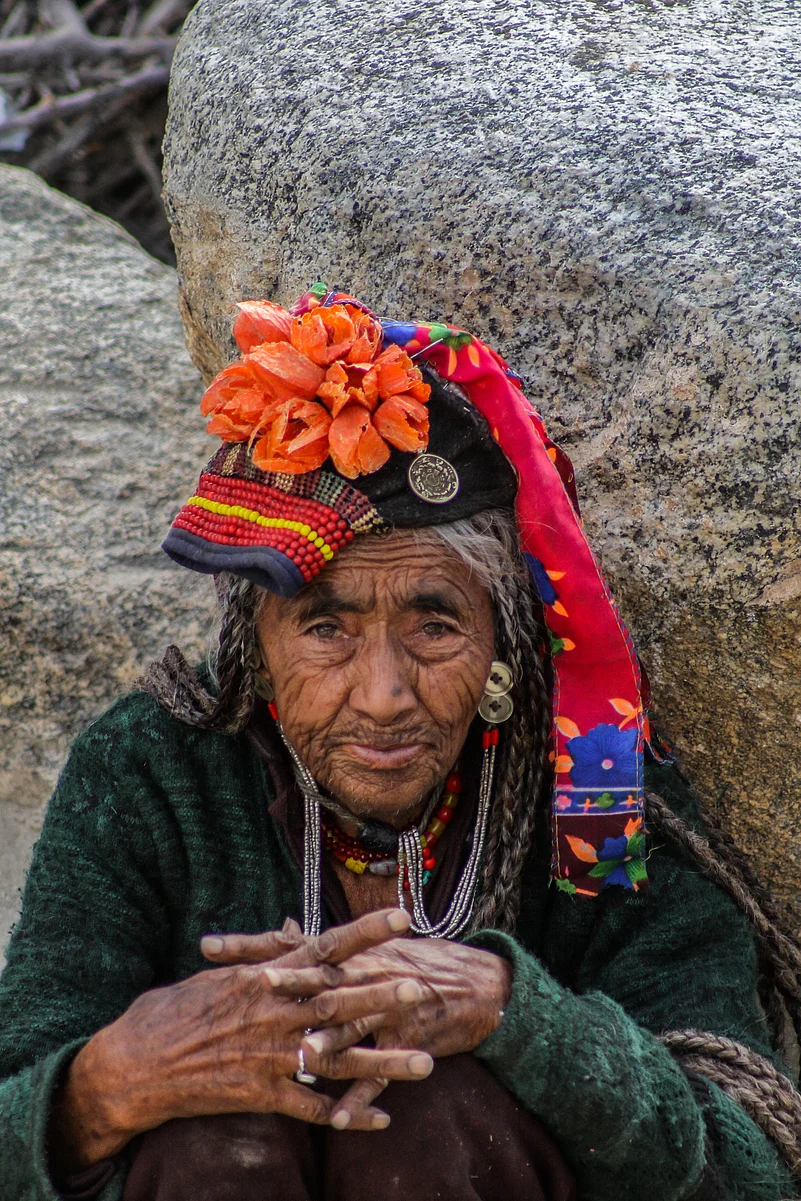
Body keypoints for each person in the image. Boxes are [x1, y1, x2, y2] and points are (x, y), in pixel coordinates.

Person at [0, 287, 799, 1201]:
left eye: (434, 625)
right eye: (325, 629)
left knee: (438, 1111)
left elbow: (754, 1170)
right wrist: (102, 1087)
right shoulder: (150, 771)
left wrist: (515, 1013)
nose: (382, 697)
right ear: (252, 647)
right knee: (216, 1137)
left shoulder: (595, 800)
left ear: (504, 639)